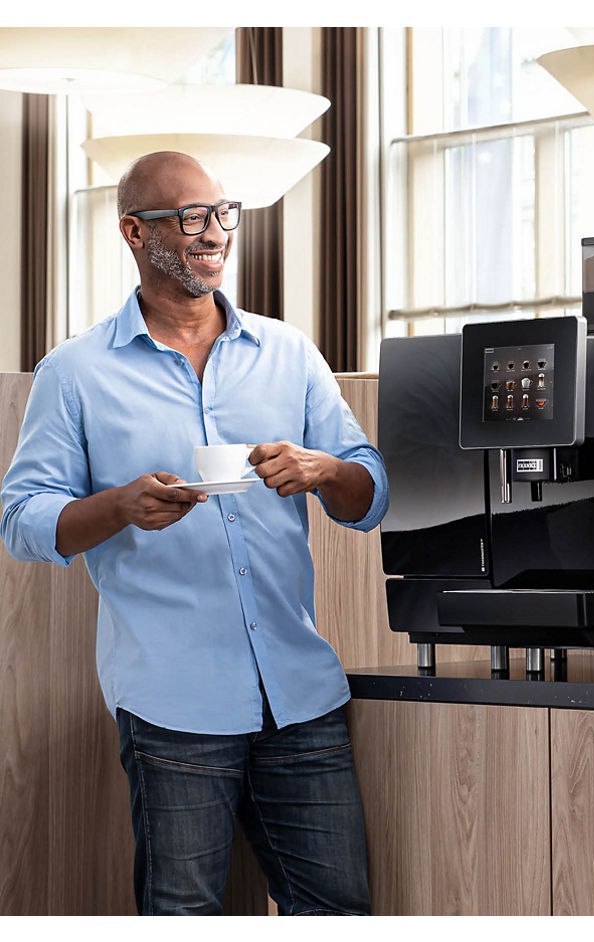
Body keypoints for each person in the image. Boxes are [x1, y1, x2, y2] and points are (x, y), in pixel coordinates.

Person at [1, 151, 388, 915]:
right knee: (183, 919)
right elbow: (22, 519)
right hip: (171, 706)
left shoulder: (290, 353)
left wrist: (323, 471)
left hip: (300, 696)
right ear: (133, 231)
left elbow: (366, 495)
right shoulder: (75, 374)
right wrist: (118, 506)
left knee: (339, 915)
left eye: (220, 214)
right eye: (188, 217)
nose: (211, 233)